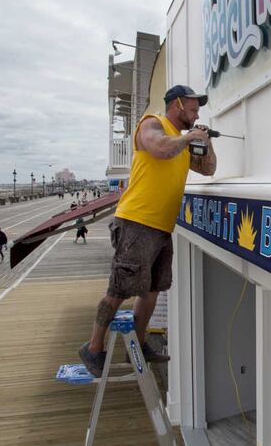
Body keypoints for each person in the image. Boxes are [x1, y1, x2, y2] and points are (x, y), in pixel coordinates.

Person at [79, 85, 216, 376]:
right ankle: (92, 349)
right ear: (177, 104)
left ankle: (138, 347)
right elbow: (158, 148)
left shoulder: (181, 142)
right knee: (118, 290)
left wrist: (205, 141)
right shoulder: (152, 124)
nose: (197, 111)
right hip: (137, 222)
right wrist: (190, 136)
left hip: (161, 226)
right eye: (193, 107)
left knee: (152, 290)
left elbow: (208, 169)